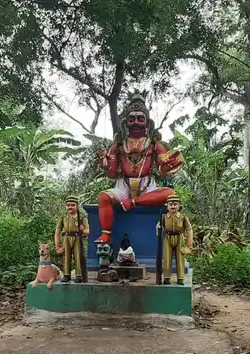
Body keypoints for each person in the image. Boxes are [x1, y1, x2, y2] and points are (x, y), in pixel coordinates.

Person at [94, 91, 185, 244]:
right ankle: (106, 234)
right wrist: (105, 164)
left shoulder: (155, 145)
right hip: (123, 185)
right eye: (131, 119)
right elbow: (111, 174)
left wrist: (167, 166)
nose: (135, 122)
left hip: (147, 184)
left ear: (147, 123)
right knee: (103, 197)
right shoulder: (117, 146)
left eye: (140, 119)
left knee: (170, 194)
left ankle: (135, 202)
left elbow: (162, 171)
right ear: (126, 123)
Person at [159, 194, 193, 285]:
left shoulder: (183, 217)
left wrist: (190, 245)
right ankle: (167, 278)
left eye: (175, 204)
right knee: (167, 258)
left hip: (179, 238)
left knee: (180, 258)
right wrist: (158, 228)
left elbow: (189, 230)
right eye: (170, 204)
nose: (173, 206)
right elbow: (159, 227)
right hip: (168, 238)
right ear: (167, 206)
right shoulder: (163, 217)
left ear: (179, 205)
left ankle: (180, 278)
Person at [55, 196, 89, 282]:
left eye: (73, 205)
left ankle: (79, 275)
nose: (70, 207)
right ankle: (66, 274)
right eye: (68, 205)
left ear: (77, 206)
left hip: (77, 237)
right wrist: (57, 246)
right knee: (66, 256)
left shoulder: (81, 218)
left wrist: (82, 229)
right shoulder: (63, 217)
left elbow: (87, 231)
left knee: (78, 255)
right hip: (67, 238)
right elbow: (57, 231)